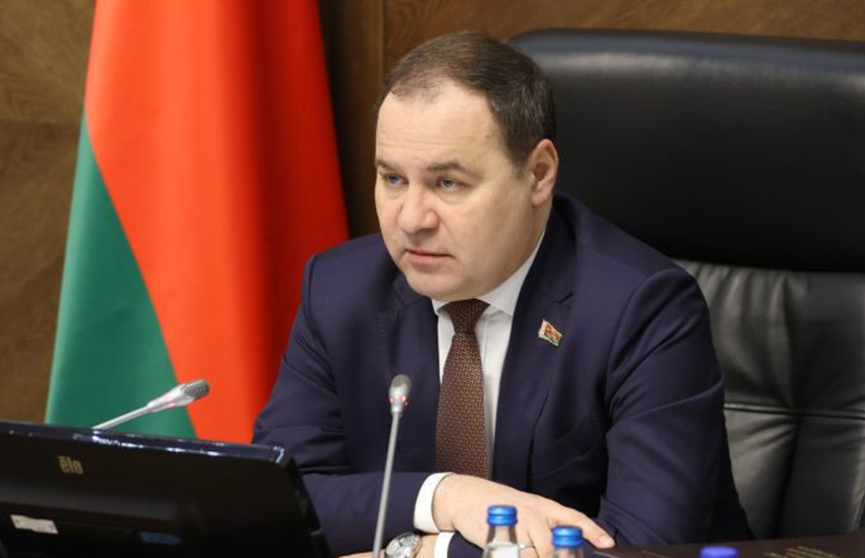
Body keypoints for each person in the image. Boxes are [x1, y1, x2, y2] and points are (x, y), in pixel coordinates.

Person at [253, 31, 751, 558]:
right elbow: (278, 504)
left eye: (448, 183)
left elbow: (642, 548)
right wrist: (445, 496)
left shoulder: (643, 309)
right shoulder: (339, 290)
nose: (411, 220)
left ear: (538, 174)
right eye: (393, 179)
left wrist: (425, 552)